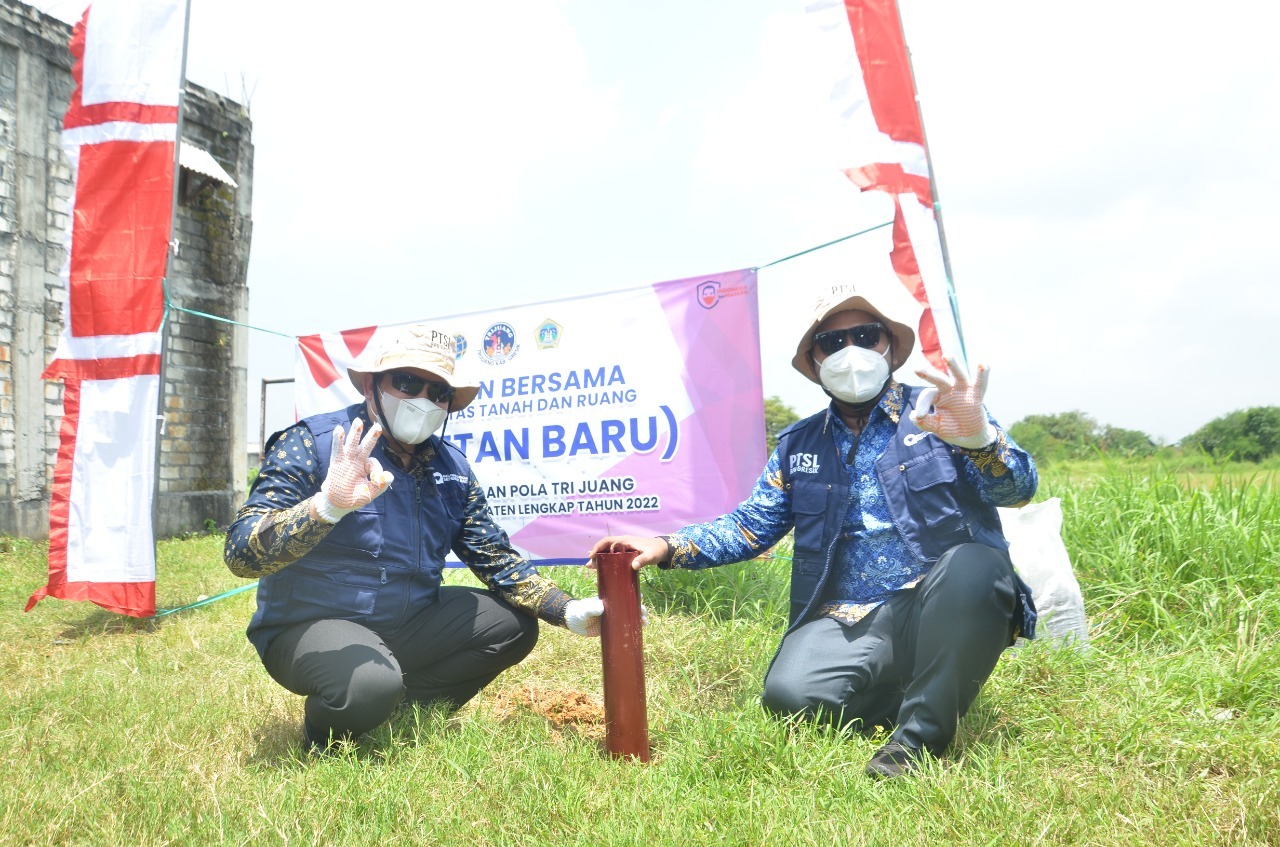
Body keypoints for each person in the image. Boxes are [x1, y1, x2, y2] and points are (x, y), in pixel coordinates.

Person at [590, 283, 1039, 778]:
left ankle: (917, 744)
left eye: (866, 336)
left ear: (889, 347)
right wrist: (666, 545)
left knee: (975, 563)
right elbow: (750, 526)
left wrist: (981, 440)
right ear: (814, 359)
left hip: (941, 598)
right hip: (851, 613)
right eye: (832, 342)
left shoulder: (942, 411)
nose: (851, 352)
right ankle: (921, 690)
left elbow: (1017, 490)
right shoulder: (798, 446)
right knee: (791, 697)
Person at [225, 324, 606, 753]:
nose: (424, 399)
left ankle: (400, 710)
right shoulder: (313, 443)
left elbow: (494, 556)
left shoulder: (452, 469)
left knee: (512, 625)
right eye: (407, 382)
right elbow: (240, 553)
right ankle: (329, 734)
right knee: (367, 683)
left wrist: (565, 608)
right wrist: (324, 508)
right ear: (372, 386)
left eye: (438, 391)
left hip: (405, 622)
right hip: (310, 625)